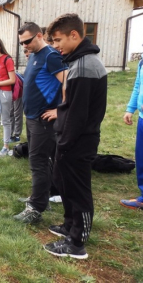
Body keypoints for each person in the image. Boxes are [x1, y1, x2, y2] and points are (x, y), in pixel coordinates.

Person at [43, 13, 107, 259]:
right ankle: (69, 226)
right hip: (68, 138)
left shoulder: (85, 67)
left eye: (58, 40)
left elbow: (79, 114)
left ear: (74, 35)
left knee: (78, 190)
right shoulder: (76, 62)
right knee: (64, 183)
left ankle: (77, 243)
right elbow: (69, 108)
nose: (56, 46)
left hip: (78, 141)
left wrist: (66, 143)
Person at [13, 22, 67, 224]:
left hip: (44, 120)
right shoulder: (34, 55)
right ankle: (40, 197)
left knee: (38, 162)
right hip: (33, 117)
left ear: (39, 35)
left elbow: (68, 83)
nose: (24, 46)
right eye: (21, 43)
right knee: (39, 161)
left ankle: (36, 208)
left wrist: (60, 110)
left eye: (27, 41)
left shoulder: (51, 56)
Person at [120, 57, 143, 210]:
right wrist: (130, 108)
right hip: (142, 118)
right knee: (141, 157)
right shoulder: (142, 62)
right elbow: (137, 86)